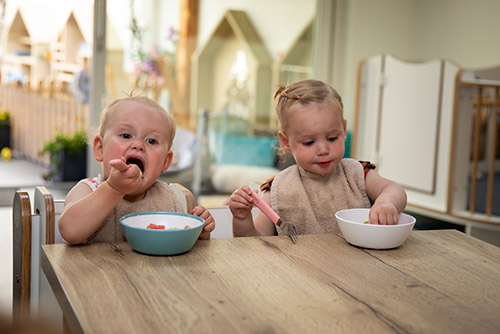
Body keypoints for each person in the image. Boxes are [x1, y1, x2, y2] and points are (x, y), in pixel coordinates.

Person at [229, 79, 407, 237]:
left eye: (331, 138)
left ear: (343, 131)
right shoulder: (276, 190)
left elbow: (394, 189)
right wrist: (242, 218)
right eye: (309, 142)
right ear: (285, 142)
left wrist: (386, 202)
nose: (323, 149)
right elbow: (255, 241)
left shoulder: (358, 173)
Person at [59, 94, 215, 244]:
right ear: (100, 148)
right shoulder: (88, 190)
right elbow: (70, 231)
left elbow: (182, 250)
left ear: (166, 162)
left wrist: (197, 234)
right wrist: (113, 189)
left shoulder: (170, 199)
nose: (138, 145)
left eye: (151, 141)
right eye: (126, 135)